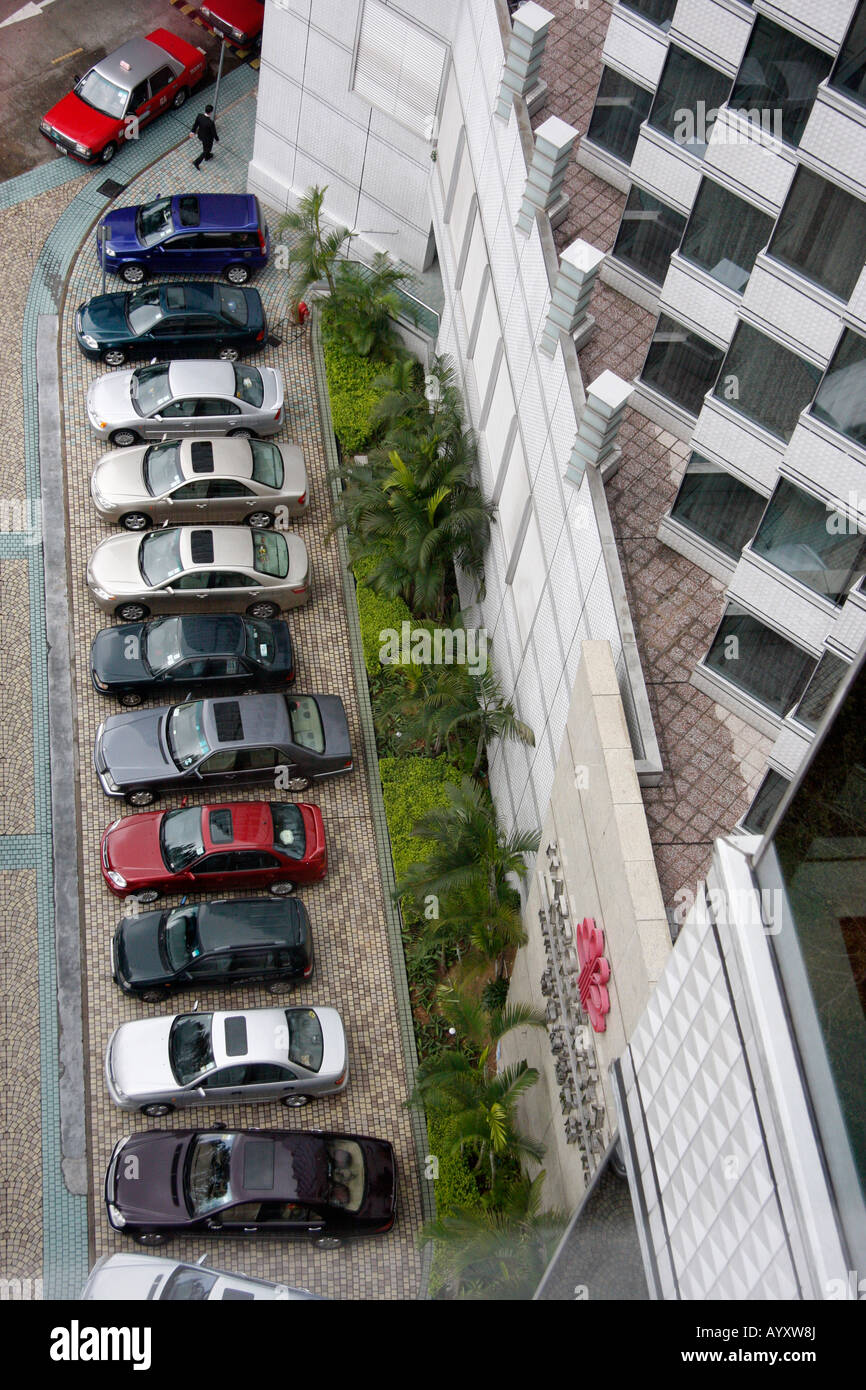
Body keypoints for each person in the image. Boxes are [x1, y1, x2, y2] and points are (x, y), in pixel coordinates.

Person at [190, 105, 219, 169]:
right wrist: (217, 139)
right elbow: (214, 132)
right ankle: (197, 162)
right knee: (207, 149)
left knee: (205, 146)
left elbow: (195, 125)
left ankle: (207, 156)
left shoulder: (199, 116)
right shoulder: (210, 123)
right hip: (208, 138)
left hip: (201, 135)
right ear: (210, 112)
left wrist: (192, 131)